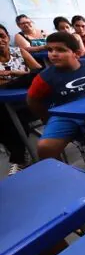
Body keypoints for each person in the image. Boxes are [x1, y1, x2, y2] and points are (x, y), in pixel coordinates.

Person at [26, 32, 85, 187]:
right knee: (45, 147)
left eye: (60, 50)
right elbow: (32, 100)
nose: (53, 54)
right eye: (50, 50)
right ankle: (67, 180)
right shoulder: (44, 77)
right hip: (65, 116)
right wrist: (46, 117)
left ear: (77, 53)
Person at [0, 24, 42, 174]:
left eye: (2, 36)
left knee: (33, 75)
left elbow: (38, 72)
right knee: (7, 118)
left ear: (8, 37)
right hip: (7, 104)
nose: (0, 40)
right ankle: (19, 157)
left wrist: (14, 74)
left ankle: (18, 157)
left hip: (30, 100)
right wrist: (23, 76)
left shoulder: (19, 51)